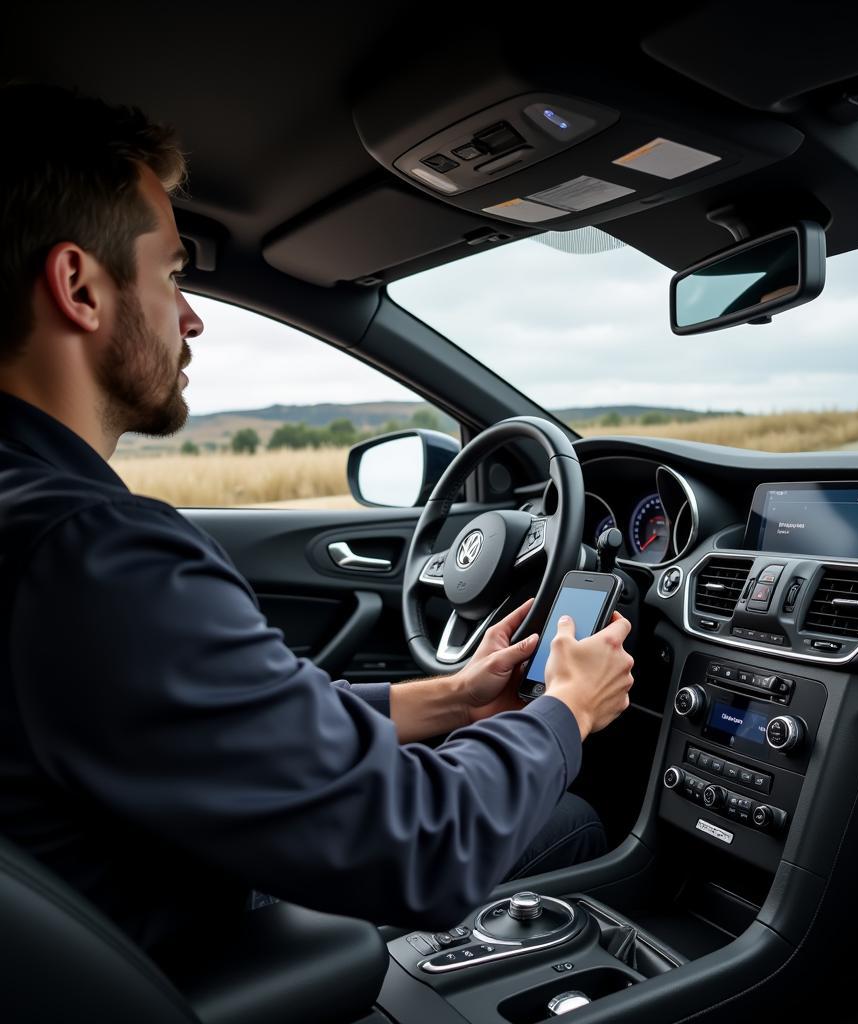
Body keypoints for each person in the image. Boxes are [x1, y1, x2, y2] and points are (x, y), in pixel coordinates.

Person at [0, 82, 635, 952]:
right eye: (174, 275)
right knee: (566, 817)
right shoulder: (93, 555)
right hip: (183, 964)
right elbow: (425, 847)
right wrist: (565, 711)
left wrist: (450, 698)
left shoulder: (39, 527)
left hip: (96, 927)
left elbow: (237, 724)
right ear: (78, 286)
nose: (191, 319)